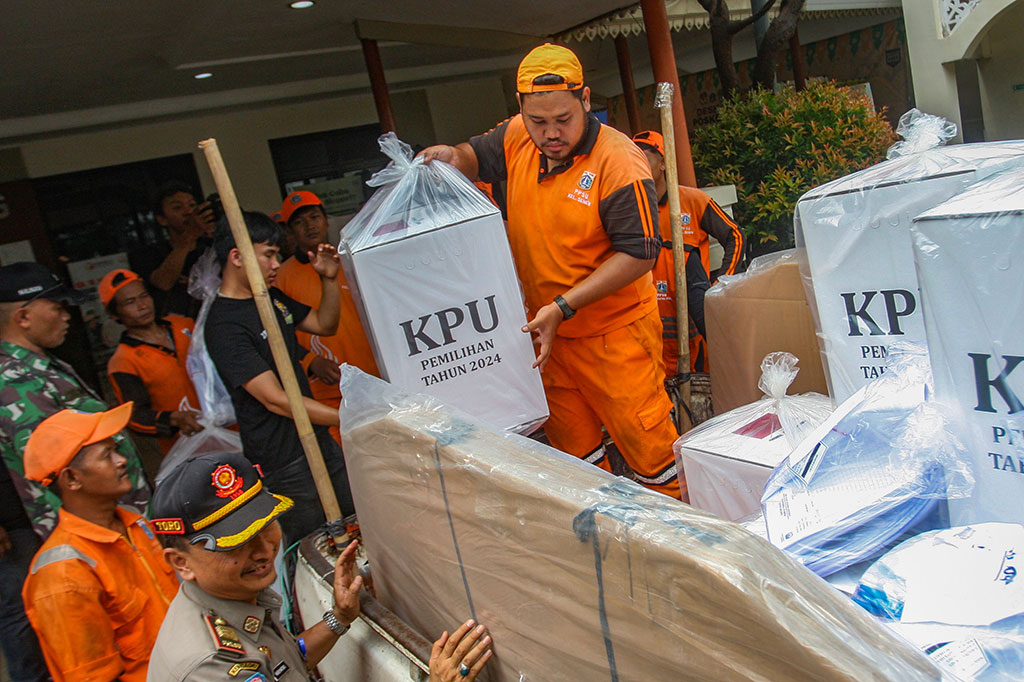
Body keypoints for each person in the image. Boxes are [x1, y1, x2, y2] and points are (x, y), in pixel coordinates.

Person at [420, 44, 683, 499]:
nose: (551, 133)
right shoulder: (517, 135)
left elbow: (640, 252)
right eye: (538, 122)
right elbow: (472, 156)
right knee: (576, 459)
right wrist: (450, 157)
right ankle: (601, 539)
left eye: (563, 119)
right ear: (521, 110)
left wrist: (564, 305)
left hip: (613, 335)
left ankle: (686, 544)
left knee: (652, 454)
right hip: (548, 339)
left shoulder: (617, 161)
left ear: (584, 99)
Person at [148, 452, 493, 681]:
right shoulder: (211, 665)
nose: (262, 550)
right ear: (181, 562)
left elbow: (285, 663)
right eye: (236, 543)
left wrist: (340, 617)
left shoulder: (231, 602)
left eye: (265, 526)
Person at [203, 212, 354, 547]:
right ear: (237, 257)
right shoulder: (223, 325)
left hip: (318, 440)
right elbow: (274, 399)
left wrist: (329, 280)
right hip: (283, 459)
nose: (276, 264)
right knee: (311, 549)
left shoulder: (270, 299)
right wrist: (349, 418)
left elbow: (323, 324)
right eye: (268, 255)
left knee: (356, 527)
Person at [21, 404, 178, 682]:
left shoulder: (134, 524)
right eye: (107, 455)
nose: (121, 461)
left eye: (116, 450)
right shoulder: (63, 574)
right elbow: (92, 677)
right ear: (71, 479)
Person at [632, 130, 745, 375]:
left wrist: (722, 283)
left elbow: (735, 236)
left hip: (692, 321)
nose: (639, 167)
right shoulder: (632, 208)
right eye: (634, 161)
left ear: (663, 163)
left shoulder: (692, 201)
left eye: (646, 159)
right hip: (652, 323)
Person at [276, 191, 379, 444]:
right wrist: (310, 360)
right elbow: (277, 335)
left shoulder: (351, 260)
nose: (309, 225)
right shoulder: (280, 277)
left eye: (314, 217)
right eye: (299, 222)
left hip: (372, 379)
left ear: (326, 220)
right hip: (325, 391)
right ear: (290, 232)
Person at [102, 268, 204, 459]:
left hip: (232, 429)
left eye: (144, 296)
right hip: (189, 449)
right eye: (130, 302)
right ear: (115, 314)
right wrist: (173, 419)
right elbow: (135, 417)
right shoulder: (124, 361)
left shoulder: (183, 325)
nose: (142, 306)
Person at [129, 181, 215, 318]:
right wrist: (190, 236)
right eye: (177, 208)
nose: (188, 212)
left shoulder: (211, 247)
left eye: (192, 205)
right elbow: (163, 283)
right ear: (162, 219)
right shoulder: (147, 254)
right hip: (178, 327)